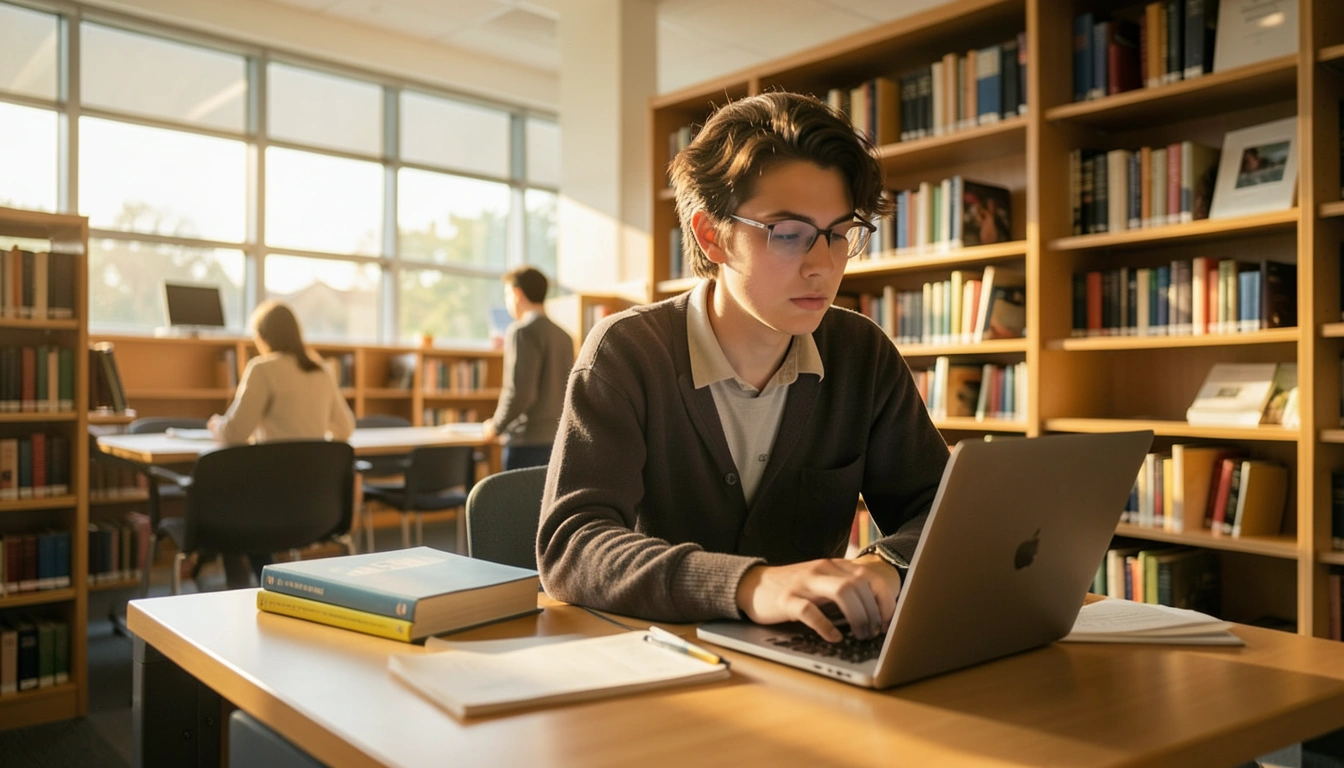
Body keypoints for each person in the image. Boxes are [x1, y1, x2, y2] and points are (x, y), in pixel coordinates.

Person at [536, 92, 950, 644]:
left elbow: (941, 510)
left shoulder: (861, 353)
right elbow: (573, 545)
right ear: (712, 235)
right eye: (789, 234)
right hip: (661, 659)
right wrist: (749, 586)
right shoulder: (627, 351)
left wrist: (887, 565)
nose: (823, 265)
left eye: (838, 234)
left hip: (812, 655)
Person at [208, 300, 356, 587]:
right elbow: (345, 428)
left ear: (263, 336)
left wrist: (216, 425)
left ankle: (244, 584)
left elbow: (235, 433)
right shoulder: (322, 370)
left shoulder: (262, 369)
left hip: (271, 503)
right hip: (317, 505)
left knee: (225, 507)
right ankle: (269, 579)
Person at [482, 267, 575, 470]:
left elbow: (520, 393)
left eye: (507, 294)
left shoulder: (522, 332)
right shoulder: (565, 337)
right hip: (557, 440)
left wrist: (495, 426)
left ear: (517, 294)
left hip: (526, 444)